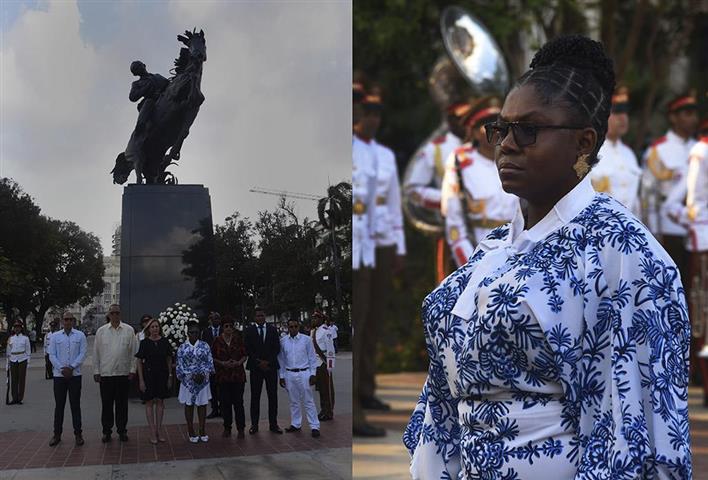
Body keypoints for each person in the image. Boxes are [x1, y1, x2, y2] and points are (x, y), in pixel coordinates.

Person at [404, 35, 691, 478]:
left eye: (529, 130)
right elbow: (441, 408)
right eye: (501, 129)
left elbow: (640, 434)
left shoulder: (624, 253)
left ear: (583, 142)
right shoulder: (493, 249)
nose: (507, 144)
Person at [440, 96, 517, 268]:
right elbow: (455, 225)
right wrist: (471, 267)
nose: (495, 129)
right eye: (487, 123)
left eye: (499, 122)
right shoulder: (460, 161)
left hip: (517, 251)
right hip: (476, 252)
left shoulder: (517, 157)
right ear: (474, 131)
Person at [352, 83, 388, 437]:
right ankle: (356, 414)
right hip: (355, 250)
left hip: (369, 248)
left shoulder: (373, 154)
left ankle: (363, 395)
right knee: (358, 328)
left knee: (366, 327)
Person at [589, 86, 641, 214]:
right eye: (616, 112)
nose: (623, 117)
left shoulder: (629, 154)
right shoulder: (589, 152)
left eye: (625, 112)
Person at [93, 304, 139, 443]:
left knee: (122, 405)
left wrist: (132, 370)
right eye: (112, 313)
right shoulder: (101, 331)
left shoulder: (129, 330)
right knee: (106, 405)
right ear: (109, 315)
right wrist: (96, 371)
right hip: (106, 374)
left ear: (120, 314)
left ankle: (122, 431)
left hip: (123, 374)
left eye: (117, 313)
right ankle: (107, 432)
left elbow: (134, 353)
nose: (115, 315)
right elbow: (96, 353)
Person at [47, 311, 87, 447]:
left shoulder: (80, 335)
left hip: (75, 375)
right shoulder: (55, 337)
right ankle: (57, 434)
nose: (68, 321)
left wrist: (71, 367)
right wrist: (62, 369)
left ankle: (78, 434)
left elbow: (83, 353)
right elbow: (51, 355)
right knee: (59, 406)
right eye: (66, 319)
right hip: (59, 376)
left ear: (74, 321)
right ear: (62, 321)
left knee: (75, 405)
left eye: (70, 319)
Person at [278, 318, 321, 438]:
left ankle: (314, 426)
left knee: (308, 401)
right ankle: (296, 424)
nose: (293, 329)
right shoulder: (283, 341)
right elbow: (281, 360)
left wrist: (313, 374)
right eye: (291, 327)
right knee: (293, 401)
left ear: (299, 327)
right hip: (289, 374)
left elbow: (312, 358)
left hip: (304, 373)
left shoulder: (306, 340)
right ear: (287, 328)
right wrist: (281, 376)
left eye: (295, 326)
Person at [244, 306, 283, 434]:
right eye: (258, 316)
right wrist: (259, 362)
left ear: (264, 316)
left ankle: (273, 424)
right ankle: (254, 425)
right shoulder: (249, 330)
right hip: (256, 368)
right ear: (254, 317)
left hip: (271, 367)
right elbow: (248, 348)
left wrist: (268, 362)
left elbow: (277, 348)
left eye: (262, 315)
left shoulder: (272, 330)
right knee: (255, 396)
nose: (260, 318)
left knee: (273, 396)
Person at [135, 317, 173, 444]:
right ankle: (152, 431)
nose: (155, 329)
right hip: (148, 376)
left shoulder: (165, 342)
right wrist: (141, 380)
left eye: (157, 326)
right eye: (152, 327)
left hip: (162, 375)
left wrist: (170, 376)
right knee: (149, 402)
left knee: (160, 402)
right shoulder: (145, 343)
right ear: (148, 329)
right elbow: (139, 361)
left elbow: (169, 359)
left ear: (160, 328)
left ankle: (159, 430)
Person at [176, 321, 214, 443]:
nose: (194, 334)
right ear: (187, 333)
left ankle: (202, 430)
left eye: (196, 332)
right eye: (192, 332)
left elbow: (209, 361)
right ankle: (191, 430)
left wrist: (202, 374)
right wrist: (191, 376)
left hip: (202, 380)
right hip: (188, 381)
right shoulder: (182, 347)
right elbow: (180, 364)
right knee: (189, 404)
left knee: (202, 404)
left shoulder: (205, 346)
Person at [210, 316, 247, 439]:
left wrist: (238, 362)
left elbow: (244, 355)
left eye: (231, 326)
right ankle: (227, 427)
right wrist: (222, 363)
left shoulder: (238, 339)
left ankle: (241, 428)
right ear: (222, 328)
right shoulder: (217, 341)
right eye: (226, 326)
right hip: (223, 376)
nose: (228, 329)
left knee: (238, 403)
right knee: (225, 403)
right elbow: (212, 357)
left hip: (238, 376)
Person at [311, 311, 335, 421]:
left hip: (323, 362)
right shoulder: (313, 332)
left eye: (316, 318)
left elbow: (330, 350)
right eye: (313, 318)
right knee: (320, 388)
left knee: (327, 389)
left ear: (321, 319)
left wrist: (329, 365)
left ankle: (329, 411)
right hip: (315, 363)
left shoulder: (326, 331)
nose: (314, 320)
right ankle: (323, 410)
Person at [201, 311, 222, 418]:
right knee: (213, 387)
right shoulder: (206, 332)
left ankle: (223, 408)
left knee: (222, 387)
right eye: (214, 319)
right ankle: (214, 409)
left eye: (218, 318)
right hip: (210, 363)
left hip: (223, 364)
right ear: (211, 320)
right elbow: (203, 346)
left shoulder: (224, 330)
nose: (216, 321)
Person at [6, 320, 30, 405]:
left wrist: (28, 362)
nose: (17, 328)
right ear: (14, 328)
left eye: (18, 327)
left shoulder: (25, 338)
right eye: (15, 327)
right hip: (13, 359)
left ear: (21, 328)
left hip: (22, 359)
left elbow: (28, 351)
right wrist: (7, 364)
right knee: (14, 380)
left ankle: (20, 398)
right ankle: (14, 398)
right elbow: (8, 352)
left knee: (21, 379)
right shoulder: (10, 338)